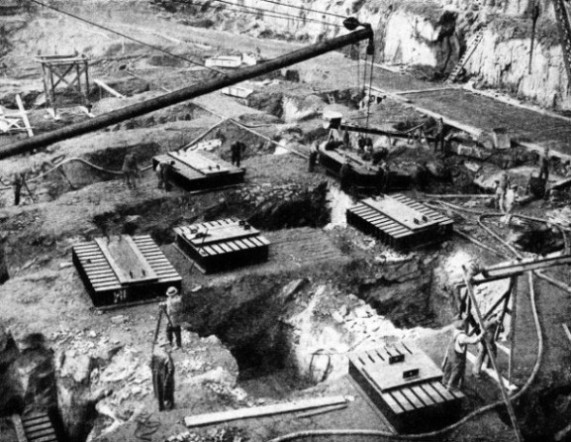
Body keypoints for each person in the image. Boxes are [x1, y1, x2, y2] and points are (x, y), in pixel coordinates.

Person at [442, 317, 484, 391]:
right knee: (456, 371)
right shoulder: (462, 336)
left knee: (448, 368)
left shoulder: (455, 331)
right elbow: (474, 341)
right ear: (463, 326)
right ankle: (451, 387)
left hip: (451, 353)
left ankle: (445, 382)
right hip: (457, 357)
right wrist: (481, 335)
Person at [473, 313, 502, 378]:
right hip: (484, 341)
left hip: (490, 341)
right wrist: (482, 339)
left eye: (501, 318)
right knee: (481, 355)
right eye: (499, 317)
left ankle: (488, 366)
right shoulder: (492, 321)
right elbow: (484, 327)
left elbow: (502, 330)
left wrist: (500, 326)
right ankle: (476, 372)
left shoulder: (498, 322)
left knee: (494, 352)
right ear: (496, 317)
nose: (500, 319)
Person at [150, 347, 175, 411]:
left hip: (161, 375)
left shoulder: (157, 356)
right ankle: (164, 405)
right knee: (163, 391)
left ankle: (165, 405)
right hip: (161, 375)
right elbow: (171, 369)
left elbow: (171, 369)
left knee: (163, 391)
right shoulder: (164, 357)